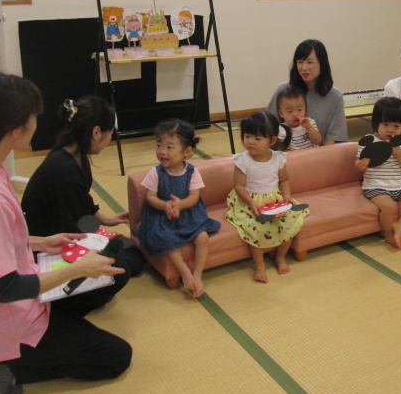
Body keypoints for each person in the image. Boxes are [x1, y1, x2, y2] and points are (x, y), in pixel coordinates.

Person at [0, 72, 131, 394]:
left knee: (112, 274)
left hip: (12, 302)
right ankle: (11, 365)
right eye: (33, 116)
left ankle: (48, 335)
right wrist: (78, 269)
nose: (37, 121)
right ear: (15, 130)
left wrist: (39, 243)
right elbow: (6, 288)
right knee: (118, 356)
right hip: (13, 322)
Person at [21, 97, 145, 287]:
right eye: (110, 133)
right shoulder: (64, 171)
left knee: (132, 256)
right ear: (96, 132)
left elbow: (82, 199)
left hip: (63, 229)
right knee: (123, 269)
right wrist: (102, 240)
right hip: (47, 247)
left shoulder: (74, 154)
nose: (110, 139)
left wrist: (106, 220)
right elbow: (73, 227)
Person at [136, 119, 221, 298]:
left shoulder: (192, 171)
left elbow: (194, 196)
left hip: (189, 215)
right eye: (159, 145)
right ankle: (184, 271)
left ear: (187, 151)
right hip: (163, 218)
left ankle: (197, 274)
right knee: (167, 239)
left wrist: (181, 204)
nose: (162, 151)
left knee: (202, 237)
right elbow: (150, 197)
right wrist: (164, 205)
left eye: (169, 147)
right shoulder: (156, 172)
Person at [226, 111, 308, 283]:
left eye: (257, 138)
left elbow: (284, 180)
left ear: (272, 141)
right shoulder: (243, 160)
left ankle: (280, 256)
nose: (250, 142)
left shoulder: (278, 158)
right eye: (247, 136)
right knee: (256, 228)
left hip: (274, 199)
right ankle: (259, 264)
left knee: (290, 223)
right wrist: (251, 202)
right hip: (249, 200)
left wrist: (287, 196)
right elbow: (239, 186)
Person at [355, 97, 401, 249]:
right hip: (375, 186)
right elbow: (358, 163)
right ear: (376, 123)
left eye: (396, 126)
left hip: (399, 185)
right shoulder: (369, 141)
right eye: (385, 124)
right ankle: (387, 233)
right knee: (388, 206)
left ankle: (400, 224)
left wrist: (396, 148)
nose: (391, 130)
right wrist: (361, 165)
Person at [266, 39, 347, 144]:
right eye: (300, 62)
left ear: (322, 63)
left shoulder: (335, 96)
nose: (304, 68)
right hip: (285, 152)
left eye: (309, 62)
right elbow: (267, 128)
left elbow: (334, 138)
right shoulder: (283, 91)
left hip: (321, 151)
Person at [275, 85, 322, 150]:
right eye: (290, 111)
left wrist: (309, 128)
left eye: (299, 110)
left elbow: (317, 142)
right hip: (296, 156)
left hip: (313, 154)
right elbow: (281, 150)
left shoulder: (310, 122)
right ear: (281, 113)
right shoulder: (282, 130)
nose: (295, 114)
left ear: (305, 109)